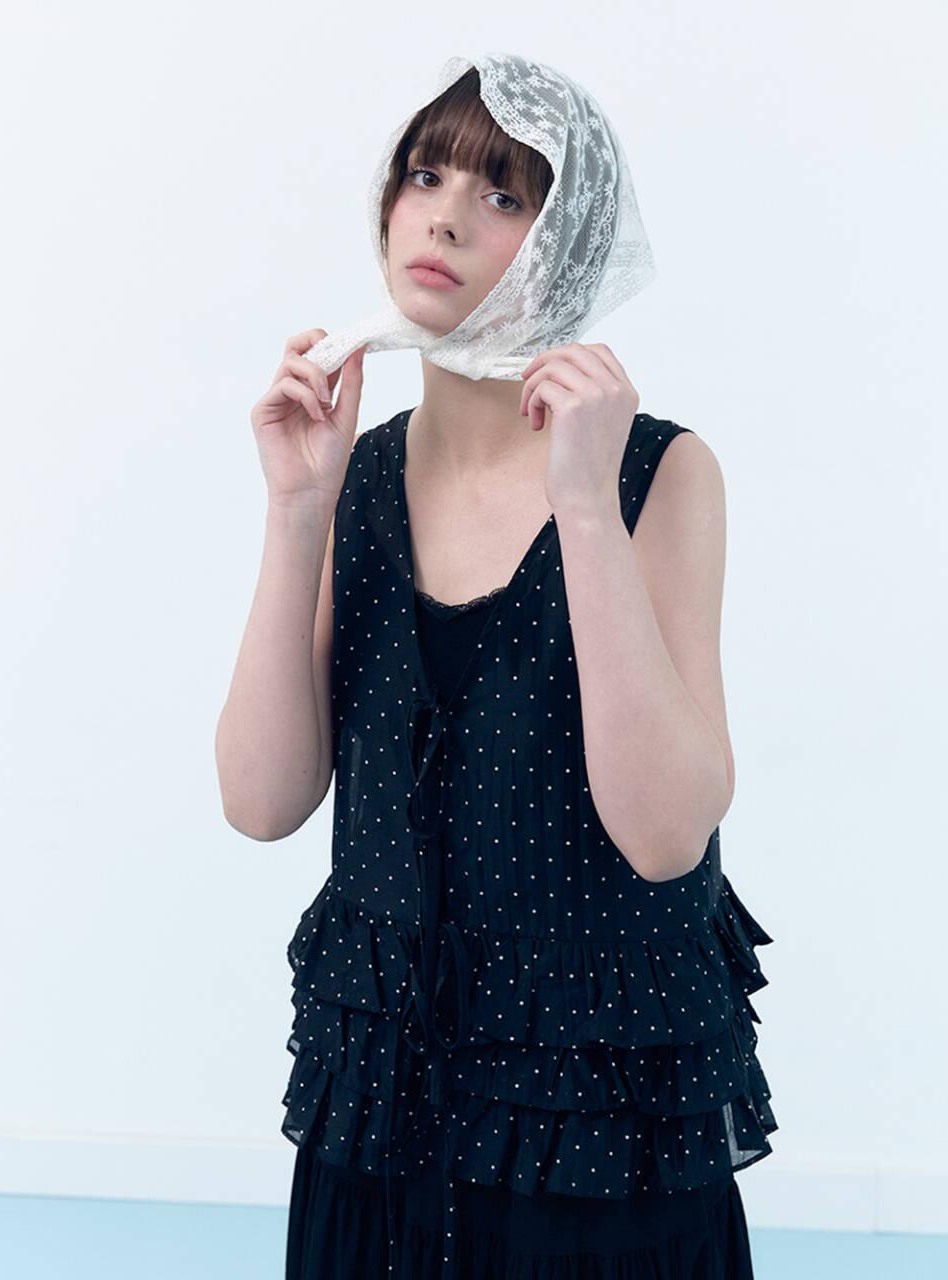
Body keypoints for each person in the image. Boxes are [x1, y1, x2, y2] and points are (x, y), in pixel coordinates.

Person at [215, 55, 777, 1280]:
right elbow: (260, 801)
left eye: (506, 194)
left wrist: (584, 503)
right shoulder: (356, 475)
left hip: (595, 1134)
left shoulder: (658, 476)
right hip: (381, 1121)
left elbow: (667, 833)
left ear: (568, 247)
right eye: (425, 175)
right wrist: (296, 510)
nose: (447, 215)